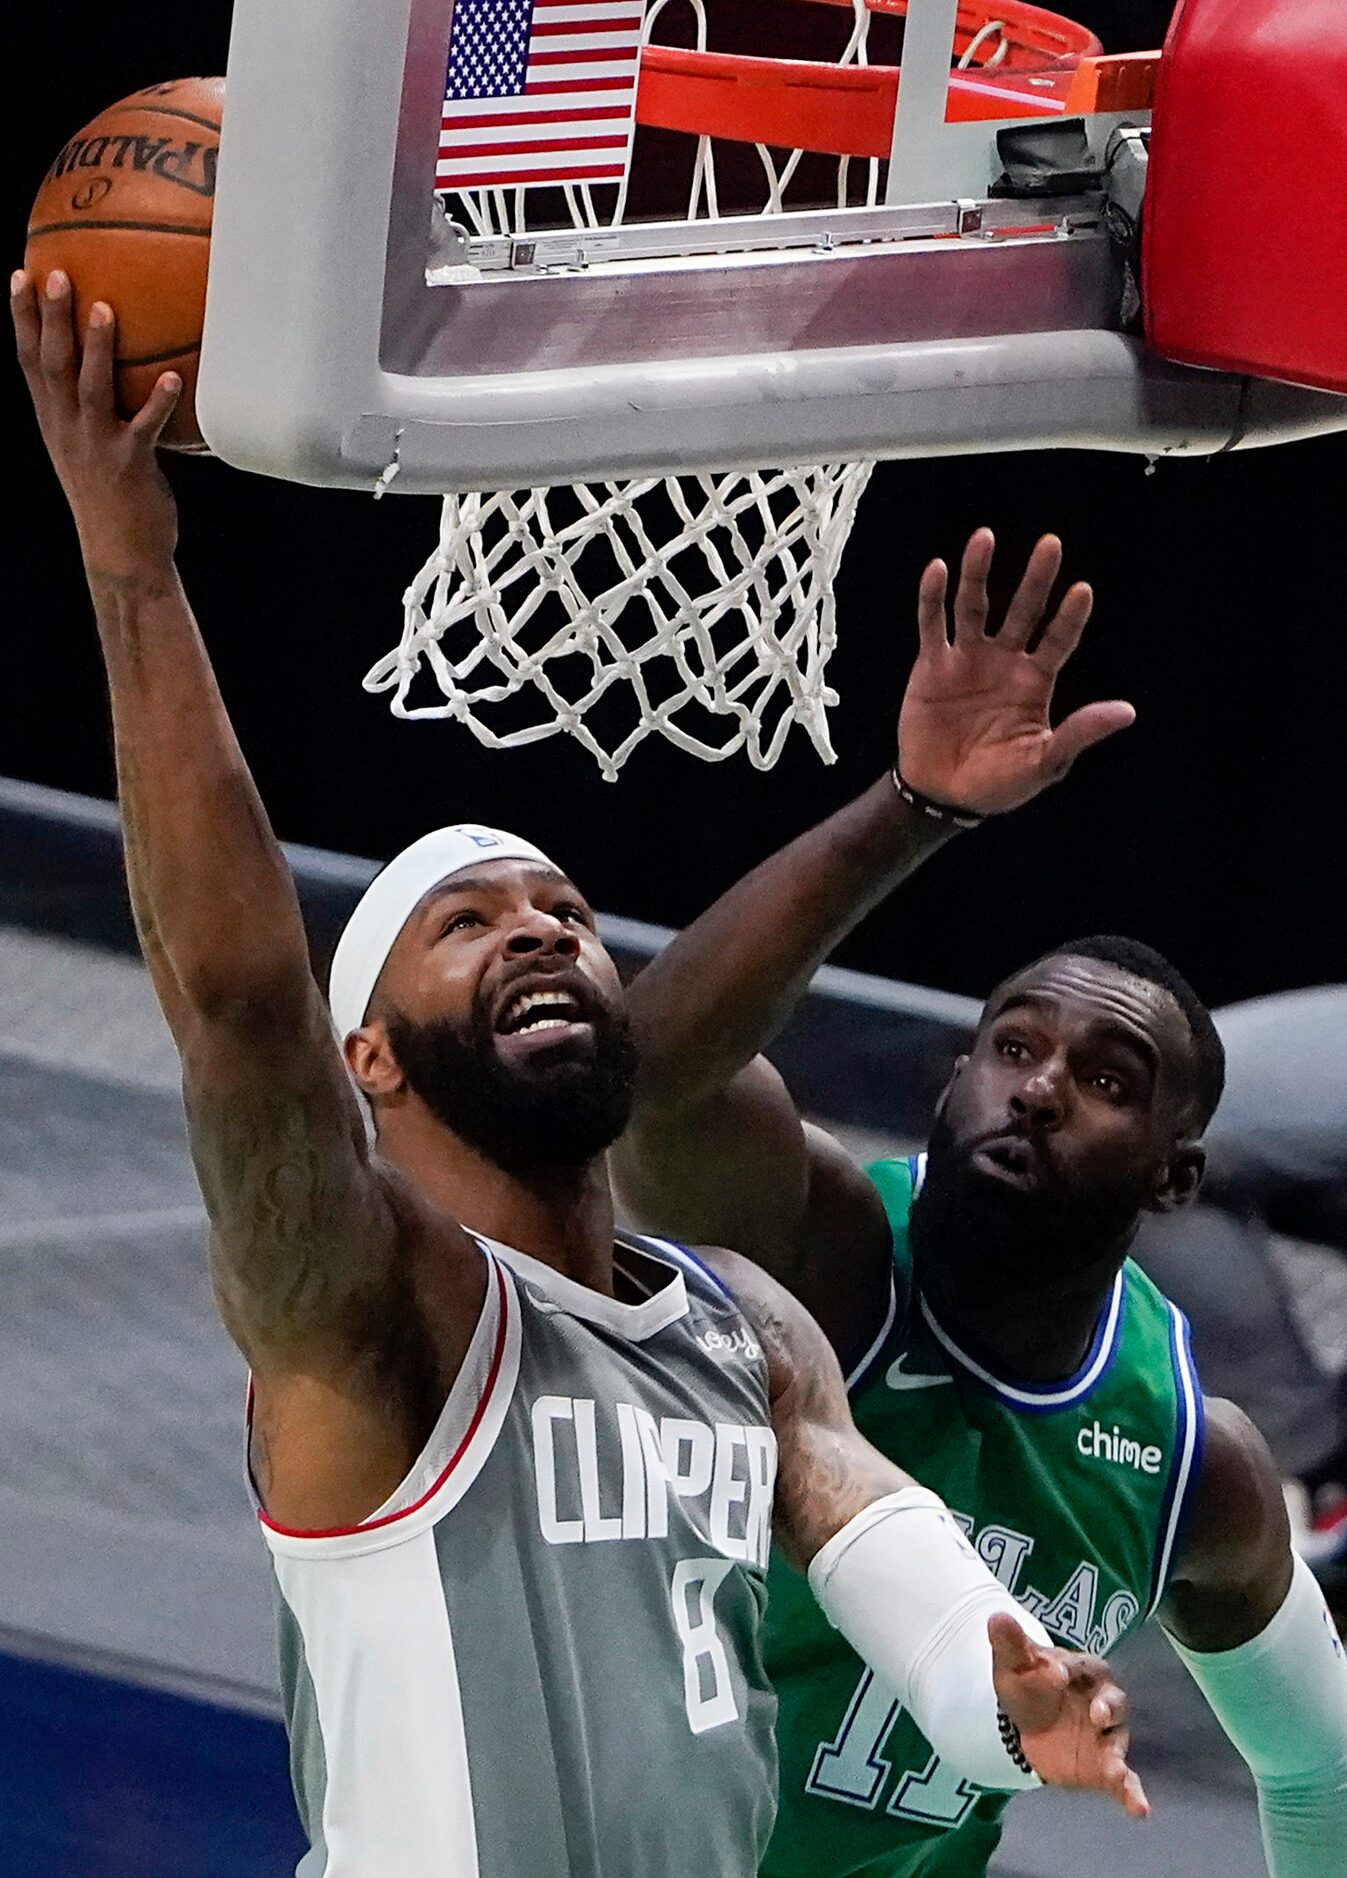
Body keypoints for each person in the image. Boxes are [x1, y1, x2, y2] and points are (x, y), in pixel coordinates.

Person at [12, 272, 1147, 1876]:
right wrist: (133, 573)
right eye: (465, 926)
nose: (540, 931)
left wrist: (1001, 1681)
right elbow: (241, 1007)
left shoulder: (739, 1318)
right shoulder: (374, 1306)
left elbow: (878, 1539)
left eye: (562, 909)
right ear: (373, 1055)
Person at [614, 530, 1347, 1878]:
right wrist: (914, 805)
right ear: (956, 1080)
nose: (1041, 1086)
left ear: (1175, 1173)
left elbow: (1317, 1761)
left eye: (1107, 1076)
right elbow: (650, 1077)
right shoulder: (816, 1245)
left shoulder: (1195, 1456)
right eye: (1013, 1046)